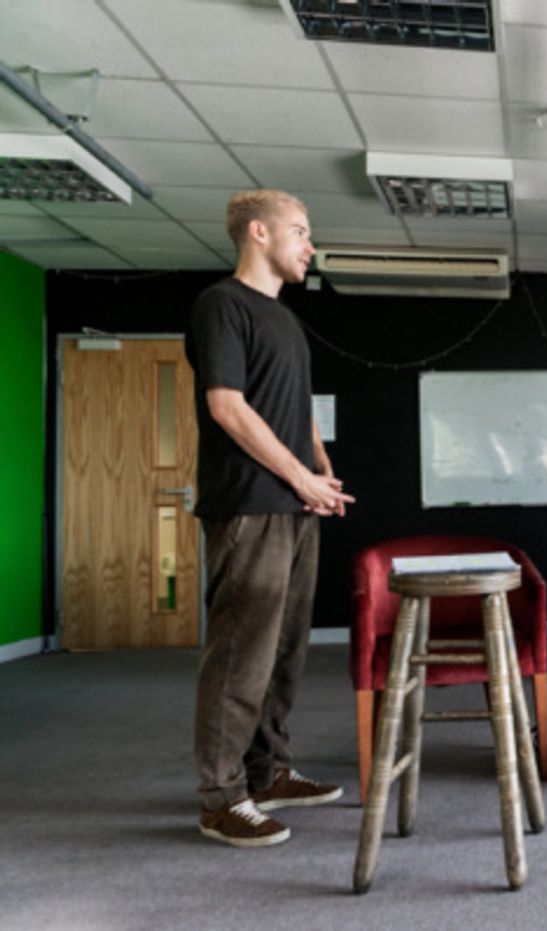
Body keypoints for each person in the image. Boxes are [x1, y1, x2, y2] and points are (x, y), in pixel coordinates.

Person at [186, 189, 357, 846]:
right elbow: (228, 407)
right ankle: (221, 798)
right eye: (301, 231)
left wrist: (320, 468)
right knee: (240, 655)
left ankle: (268, 772)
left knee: (284, 651)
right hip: (248, 505)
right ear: (258, 232)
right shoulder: (222, 305)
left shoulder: (285, 320)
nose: (310, 245)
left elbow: (297, 405)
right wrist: (298, 476)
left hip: (294, 505)